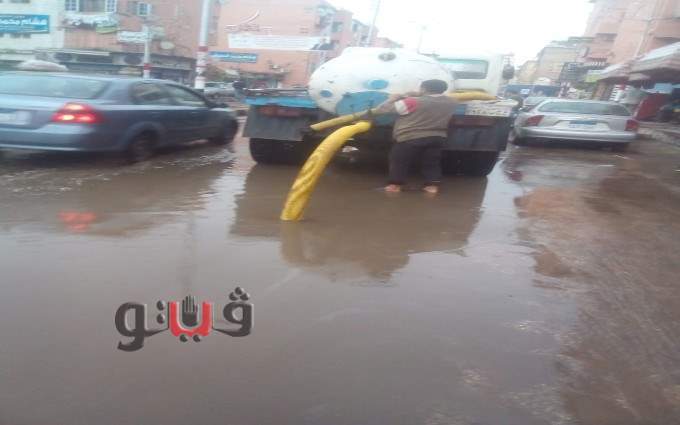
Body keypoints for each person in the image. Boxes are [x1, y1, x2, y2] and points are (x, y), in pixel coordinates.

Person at [373, 79, 457, 194]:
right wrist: (416, 95)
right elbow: (433, 100)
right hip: (438, 137)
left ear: (424, 89)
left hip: (410, 136)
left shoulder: (412, 101)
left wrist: (392, 99)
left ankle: (394, 186)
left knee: (399, 161)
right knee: (431, 163)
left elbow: (381, 110)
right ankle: (432, 187)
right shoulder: (451, 102)